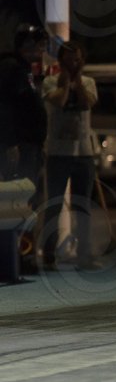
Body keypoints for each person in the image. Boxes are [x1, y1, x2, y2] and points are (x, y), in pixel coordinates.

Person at [40, 40, 99, 270]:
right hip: (57, 153)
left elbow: (86, 104)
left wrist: (78, 81)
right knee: (54, 204)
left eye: (77, 60)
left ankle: (84, 253)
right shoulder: (50, 82)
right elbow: (59, 101)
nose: (73, 64)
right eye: (68, 60)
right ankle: (49, 255)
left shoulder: (89, 82)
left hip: (83, 152)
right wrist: (65, 82)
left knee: (82, 205)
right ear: (61, 61)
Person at [0, 24, 49, 195]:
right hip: (19, 145)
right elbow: (8, 109)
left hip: (27, 144)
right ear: (27, 45)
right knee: (18, 196)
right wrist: (10, 143)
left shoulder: (23, 69)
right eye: (40, 45)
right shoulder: (12, 68)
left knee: (25, 194)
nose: (43, 50)